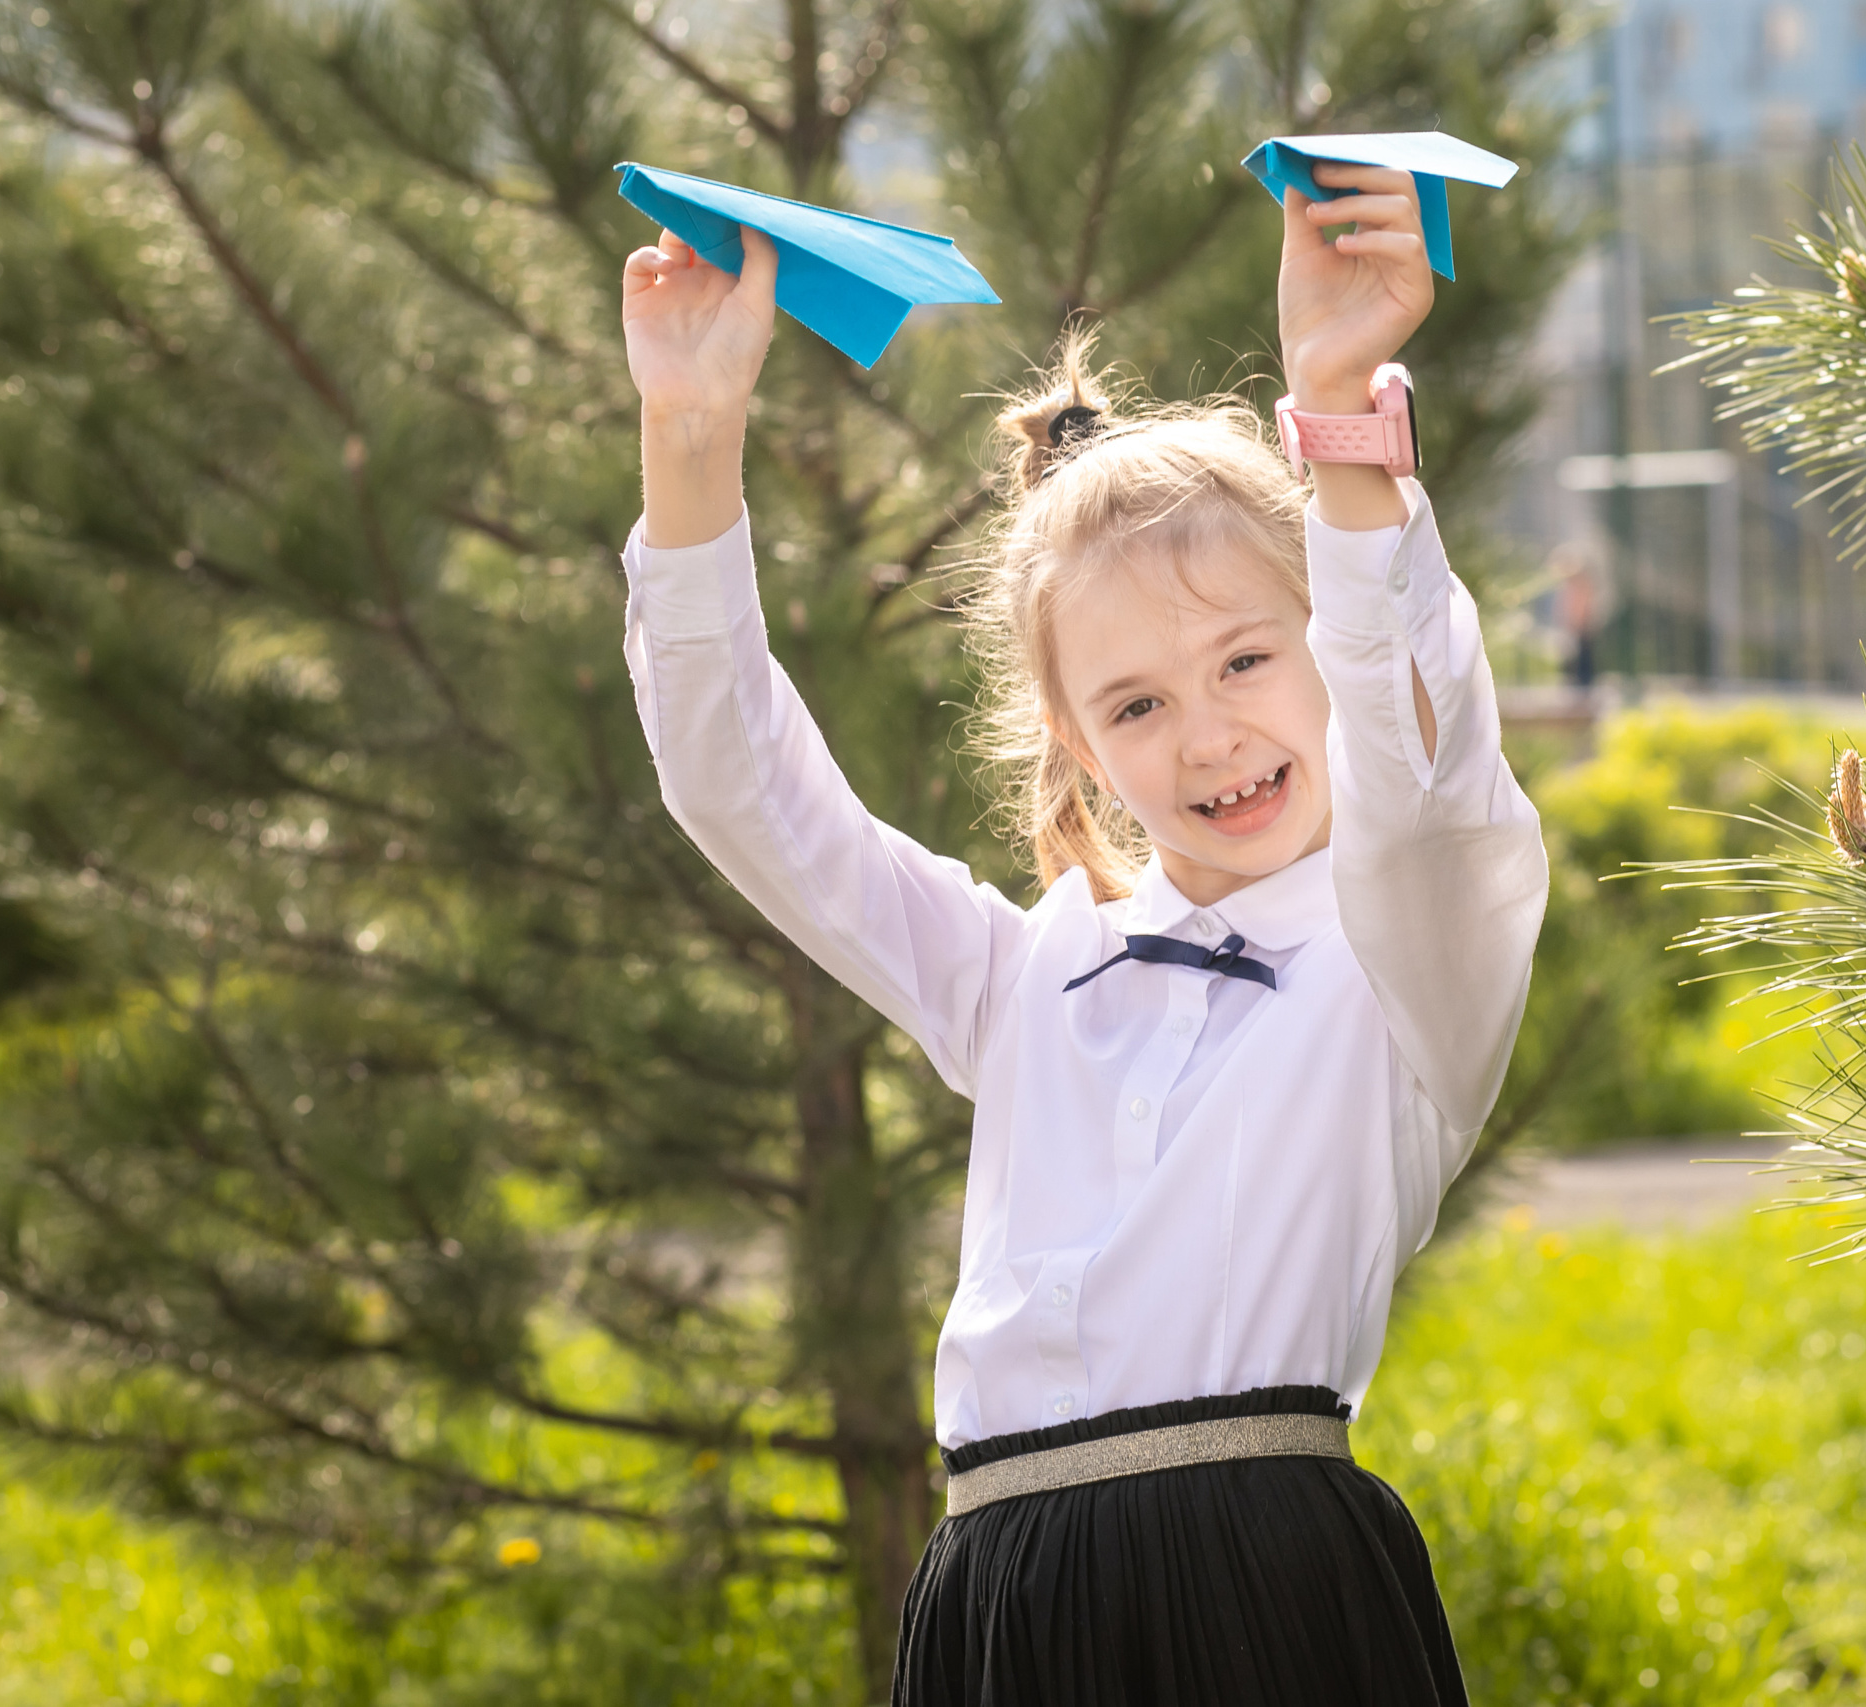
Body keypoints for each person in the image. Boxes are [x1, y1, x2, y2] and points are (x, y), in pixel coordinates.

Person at [618, 162, 1546, 1706]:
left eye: (1250, 658)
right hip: (998, 1609)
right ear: (1075, 744)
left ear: (1327, 643)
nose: (1207, 736)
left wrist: (1334, 410)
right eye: (1136, 704)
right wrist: (691, 434)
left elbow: (1429, 754)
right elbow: (745, 789)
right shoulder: (1025, 978)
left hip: (1266, 1583)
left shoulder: (1409, 957)